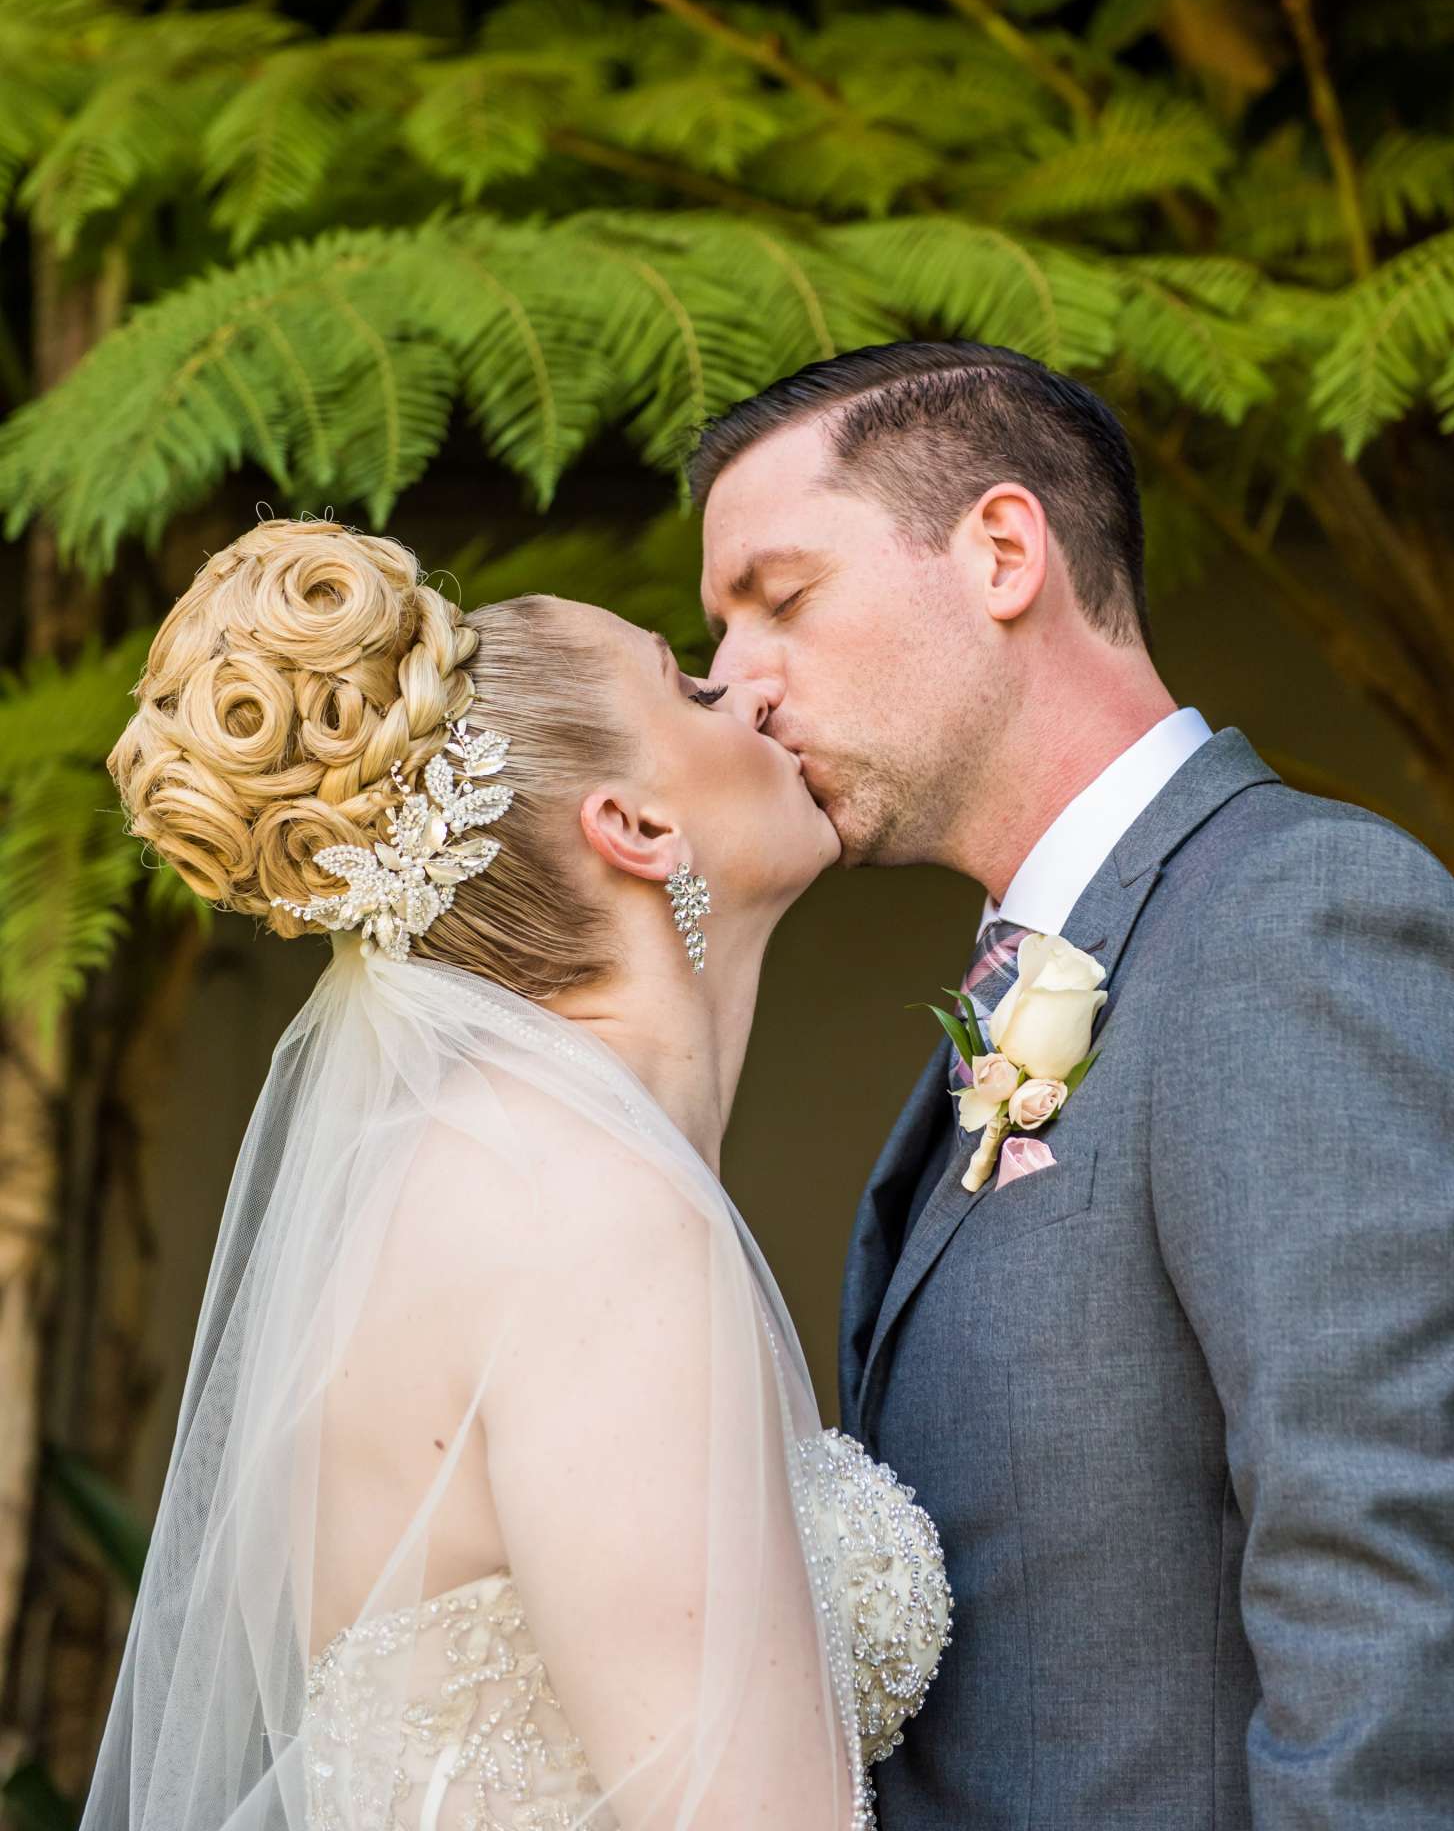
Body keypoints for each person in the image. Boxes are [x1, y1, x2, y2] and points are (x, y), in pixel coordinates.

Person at [693, 338, 1454, 1830]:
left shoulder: (1297, 919)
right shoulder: (1037, 966)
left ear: (1001, 550)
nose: (734, 687)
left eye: (780, 601)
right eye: (717, 635)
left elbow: (1394, 1592)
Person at [84, 516, 949, 1831]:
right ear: (635, 827)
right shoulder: (581, 1214)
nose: (751, 690)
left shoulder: (498, 1174)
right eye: (692, 686)